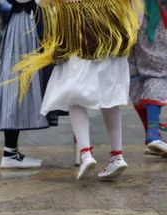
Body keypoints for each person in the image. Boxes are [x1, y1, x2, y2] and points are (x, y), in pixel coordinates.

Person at [12, 0, 141, 180]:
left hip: (78, 39)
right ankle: (117, 156)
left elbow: (39, 3)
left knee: (73, 98)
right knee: (110, 99)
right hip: (111, 34)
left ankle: (86, 154)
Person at [0, 0, 64, 168]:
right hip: (28, 22)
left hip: (37, 19)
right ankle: (10, 152)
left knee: (22, 82)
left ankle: (85, 150)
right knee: (17, 84)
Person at [129, 0, 167, 156]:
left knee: (134, 72)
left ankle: (152, 134)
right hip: (149, 10)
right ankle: (153, 133)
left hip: (121, 12)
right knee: (157, 68)